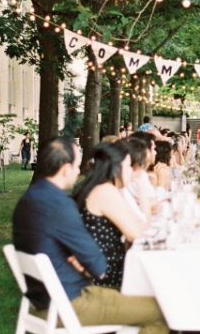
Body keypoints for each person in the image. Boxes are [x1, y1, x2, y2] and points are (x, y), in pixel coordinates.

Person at [12, 138, 168, 334]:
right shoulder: (59, 204)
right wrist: (84, 264)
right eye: (77, 166)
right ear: (66, 169)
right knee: (163, 311)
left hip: (46, 300)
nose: (80, 171)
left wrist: (81, 262)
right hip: (70, 302)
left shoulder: (28, 200)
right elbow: (99, 268)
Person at [72, 142, 149, 289]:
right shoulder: (106, 191)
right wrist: (140, 185)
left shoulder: (93, 187)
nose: (131, 170)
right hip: (106, 279)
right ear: (116, 168)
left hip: (100, 273)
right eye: (128, 165)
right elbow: (136, 233)